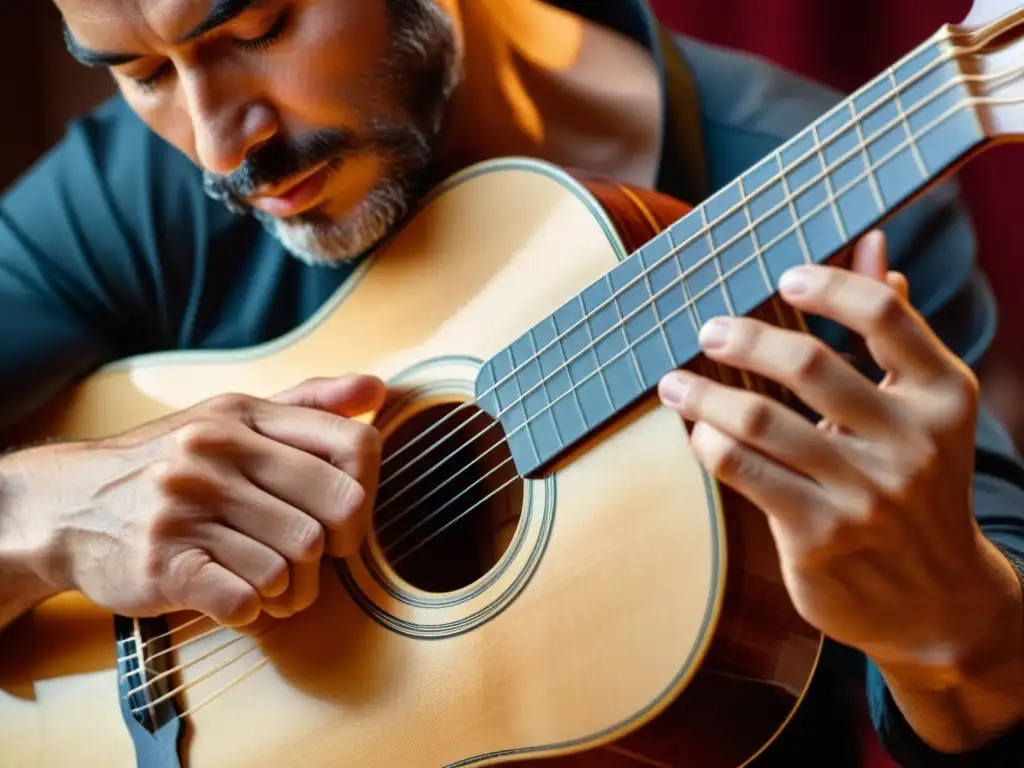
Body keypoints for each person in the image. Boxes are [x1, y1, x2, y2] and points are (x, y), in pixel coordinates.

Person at [0, 0, 1022, 764]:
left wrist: (947, 625)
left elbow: (992, 678)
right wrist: (52, 512)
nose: (222, 146)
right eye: (139, 73)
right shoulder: (135, 198)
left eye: (259, 24)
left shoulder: (833, 201)